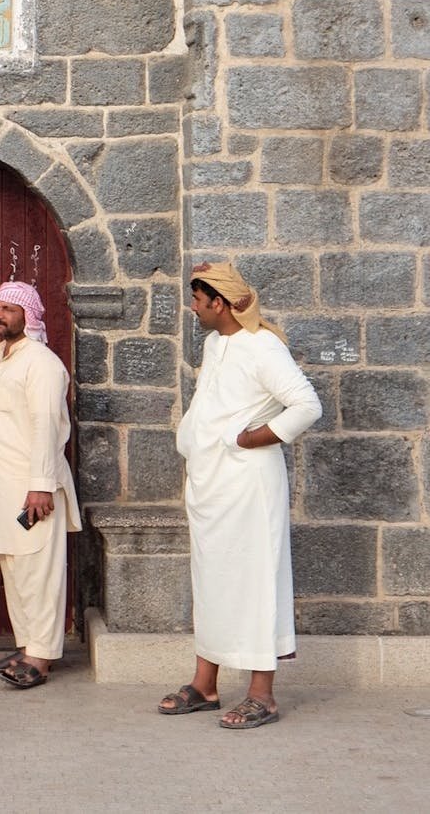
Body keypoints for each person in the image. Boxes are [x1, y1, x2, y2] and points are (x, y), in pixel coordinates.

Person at [158, 262, 322, 730]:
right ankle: (205, 685)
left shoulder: (262, 346)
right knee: (212, 583)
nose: (193, 308)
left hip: (249, 485)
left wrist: (252, 439)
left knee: (255, 583)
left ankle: (262, 695)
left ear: (221, 303)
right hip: (212, 486)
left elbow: (307, 405)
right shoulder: (216, 343)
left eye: (198, 300)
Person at [0, 281, 82, 689]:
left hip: (33, 486)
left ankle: (42, 656)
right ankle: (28, 644)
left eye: (8, 309)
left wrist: (41, 486)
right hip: (0, 486)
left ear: (28, 316)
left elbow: (47, 428)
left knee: (39, 571)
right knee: (15, 569)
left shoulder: (42, 364)